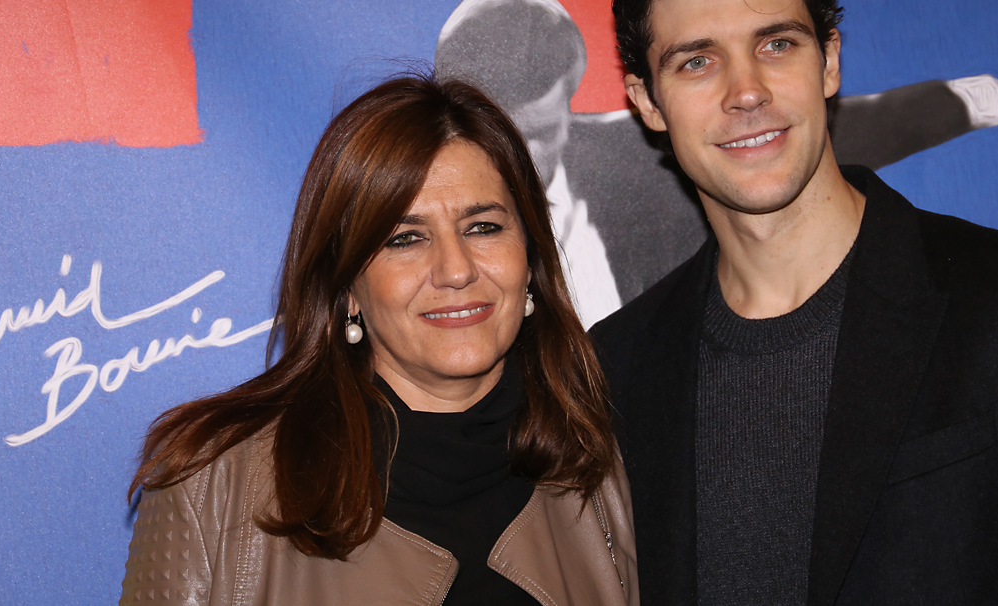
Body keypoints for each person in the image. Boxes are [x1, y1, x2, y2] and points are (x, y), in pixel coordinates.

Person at [592, 0, 998, 605]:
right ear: (645, 102)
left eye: (775, 45)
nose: (746, 92)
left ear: (828, 61)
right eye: (697, 62)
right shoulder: (615, 367)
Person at [119, 75, 638, 605]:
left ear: (530, 258)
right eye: (404, 239)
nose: (455, 270)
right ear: (348, 288)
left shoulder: (608, 457)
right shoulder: (214, 486)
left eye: (482, 227)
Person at [435, 0, 998, 319]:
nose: (527, 156)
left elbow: (848, 129)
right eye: (503, 136)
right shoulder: (415, 213)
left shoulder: (637, 157)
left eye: (545, 133)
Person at [436, 0, 622, 326]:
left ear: (569, 104)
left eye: (544, 134)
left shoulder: (643, 165)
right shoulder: (422, 199)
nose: (529, 160)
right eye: (509, 140)